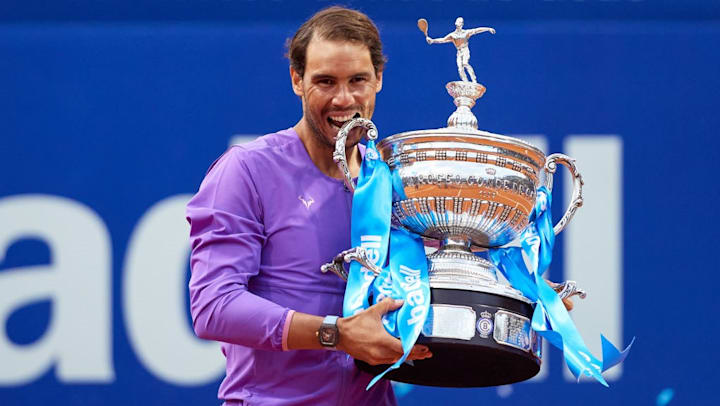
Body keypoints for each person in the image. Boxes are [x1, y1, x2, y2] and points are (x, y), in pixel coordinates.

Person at [186, 7, 431, 406]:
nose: (343, 98)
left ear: (379, 80)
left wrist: (513, 302)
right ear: (297, 80)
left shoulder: (391, 179)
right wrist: (336, 333)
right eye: (325, 82)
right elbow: (215, 306)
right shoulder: (246, 170)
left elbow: (423, 289)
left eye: (358, 80)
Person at [425, 17, 495, 83]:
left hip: (465, 50)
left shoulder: (466, 33)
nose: (459, 24)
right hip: (459, 52)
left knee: (465, 63)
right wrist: (432, 40)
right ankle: (465, 82)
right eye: (458, 22)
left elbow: (477, 30)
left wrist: (488, 29)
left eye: (460, 23)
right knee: (460, 69)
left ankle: (474, 80)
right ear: (456, 23)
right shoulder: (452, 35)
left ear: (462, 24)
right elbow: (443, 40)